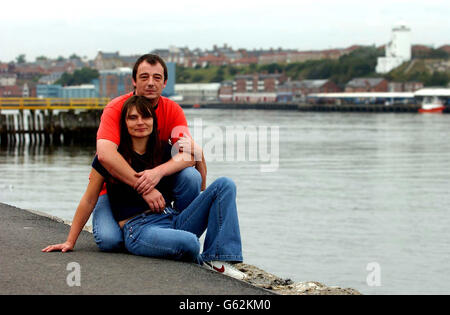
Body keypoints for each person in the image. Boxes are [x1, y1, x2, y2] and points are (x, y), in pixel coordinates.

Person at [42, 96, 246, 280]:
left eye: (146, 117)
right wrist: (70, 241)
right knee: (191, 243)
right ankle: (185, 251)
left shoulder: (164, 151)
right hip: (139, 229)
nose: (140, 122)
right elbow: (88, 200)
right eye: (133, 118)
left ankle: (217, 258)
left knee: (224, 185)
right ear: (124, 123)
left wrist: (199, 156)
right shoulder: (111, 159)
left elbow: (202, 186)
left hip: (171, 218)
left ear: (153, 121)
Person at [93, 54, 207, 252]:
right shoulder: (116, 108)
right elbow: (105, 154)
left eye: (157, 77)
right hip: (115, 190)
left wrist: (158, 172)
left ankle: (178, 235)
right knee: (110, 241)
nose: (151, 83)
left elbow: (187, 155)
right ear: (134, 81)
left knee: (191, 176)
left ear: (165, 82)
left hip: (157, 183)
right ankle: (152, 235)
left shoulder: (172, 110)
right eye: (144, 77)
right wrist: (144, 187)